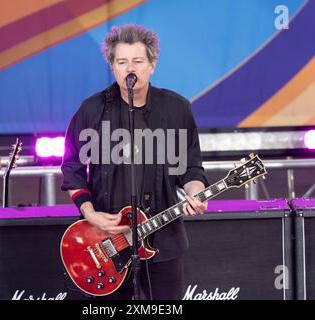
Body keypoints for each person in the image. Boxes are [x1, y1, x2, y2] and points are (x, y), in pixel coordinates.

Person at [61, 24, 208, 300]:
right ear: (113, 67)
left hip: (162, 241)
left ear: (152, 65)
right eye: (122, 62)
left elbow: (190, 168)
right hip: (104, 241)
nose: (131, 68)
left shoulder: (177, 109)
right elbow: (72, 168)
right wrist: (90, 213)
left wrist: (195, 193)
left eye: (138, 61)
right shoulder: (91, 110)